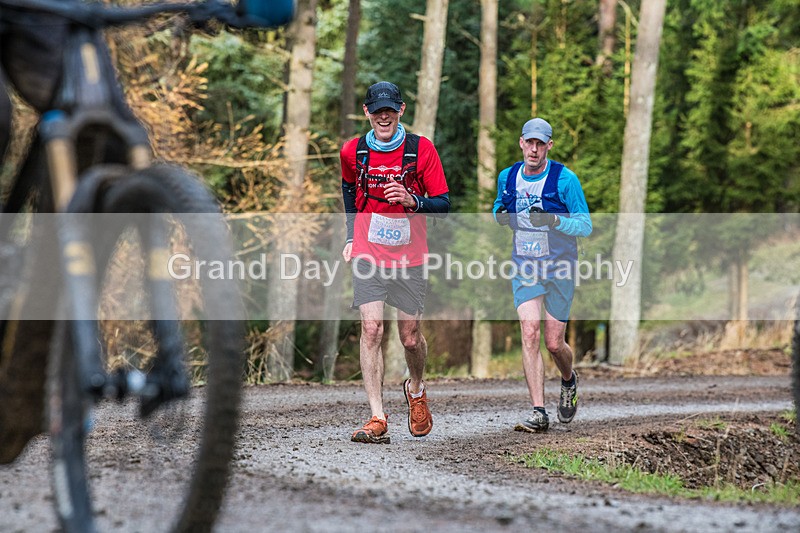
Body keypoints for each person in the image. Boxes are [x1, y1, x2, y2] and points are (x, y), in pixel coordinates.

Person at [340, 81, 450, 444]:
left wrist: (412, 200)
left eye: (390, 109)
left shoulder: (421, 150)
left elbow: (444, 204)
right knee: (372, 329)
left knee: (410, 337)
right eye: (377, 110)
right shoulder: (353, 152)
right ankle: (376, 415)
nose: (383, 116)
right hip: (369, 252)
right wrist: (351, 236)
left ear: (401, 110)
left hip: (410, 257)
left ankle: (415, 389)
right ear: (366, 112)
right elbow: (348, 191)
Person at [492, 117, 592, 432]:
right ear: (521, 142)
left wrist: (553, 222)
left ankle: (568, 379)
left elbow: (585, 225)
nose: (534, 149)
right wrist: (502, 216)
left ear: (548, 146)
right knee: (530, 331)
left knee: (553, 343)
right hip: (525, 265)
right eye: (529, 142)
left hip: (560, 266)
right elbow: (498, 208)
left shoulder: (566, 180)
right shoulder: (507, 177)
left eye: (540, 144)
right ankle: (538, 411)